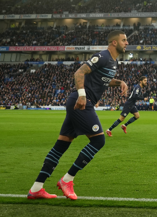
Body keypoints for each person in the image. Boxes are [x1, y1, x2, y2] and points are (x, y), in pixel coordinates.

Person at [28, 30, 128, 200]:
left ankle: (36, 188)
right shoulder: (102, 56)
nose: (127, 43)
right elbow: (79, 72)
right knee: (98, 140)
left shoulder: (113, 62)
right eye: (124, 40)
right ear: (114, 43)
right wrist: (82, 95)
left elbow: (103, 80)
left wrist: (119, 82)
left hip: (80, 102)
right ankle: (67, 179)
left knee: (61, 145)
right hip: (81, 102)